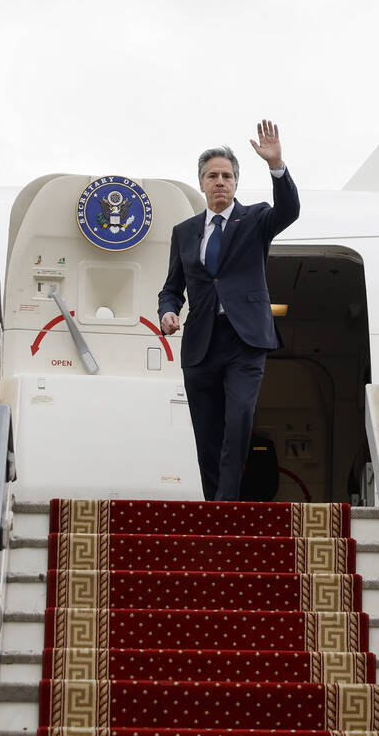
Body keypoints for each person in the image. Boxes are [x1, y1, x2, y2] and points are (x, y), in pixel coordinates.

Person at [158, 120, 300, 501]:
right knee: (207, 431)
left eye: (226, 176)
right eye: (212, 176)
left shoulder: (255, 219)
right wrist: (168, 312)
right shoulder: (185, 232)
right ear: (202, 183)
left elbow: (289, 211)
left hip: (245, 339)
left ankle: (227, 505)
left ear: (236, 183)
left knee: (238, 421)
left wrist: (277, 166)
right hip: (201, 343)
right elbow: (171, 289)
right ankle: (213, 504)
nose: (220, 181)